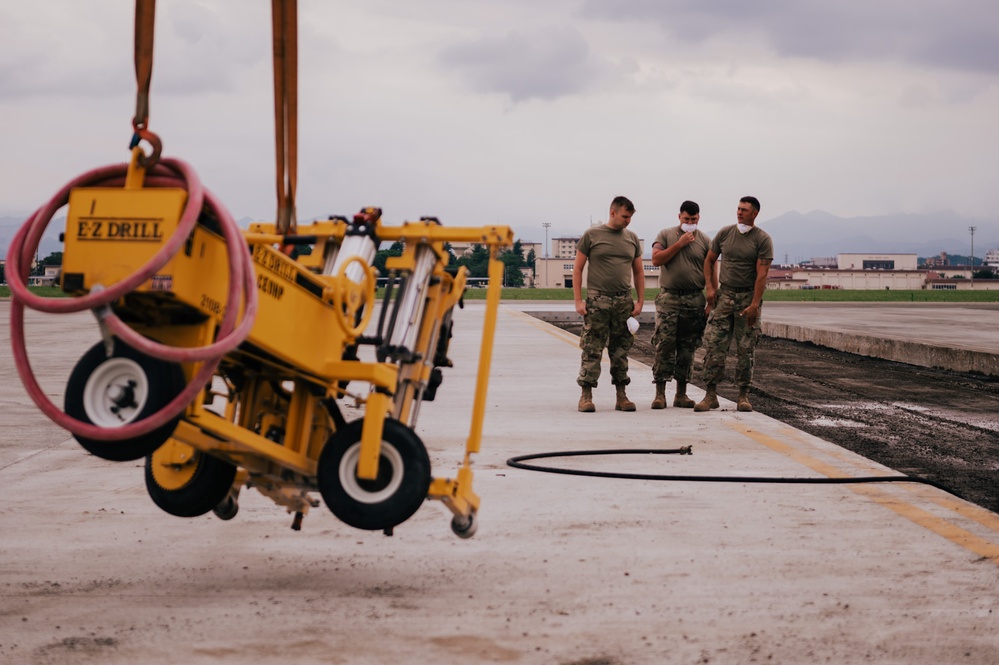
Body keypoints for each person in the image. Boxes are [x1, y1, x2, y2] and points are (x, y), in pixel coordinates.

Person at [695, 196, 773, 413]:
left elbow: (762, 274)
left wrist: (755, 304)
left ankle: (743, 395)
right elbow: (709, 260)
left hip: (747, 299)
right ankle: (710, 395)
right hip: (724, 296)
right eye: (738, 209)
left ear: (754, 213)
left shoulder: (762, 239)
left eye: (744, 210)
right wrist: (710, 288)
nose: (739, 213)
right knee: (714, 345)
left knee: (746, 349)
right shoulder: (725, 233)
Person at [573, 196, 644, 412]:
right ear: (612, 212)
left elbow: (639, 271)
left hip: (623, 301)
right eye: (625, 216)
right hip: (598, 301)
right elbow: (577, 268)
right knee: (592, 349)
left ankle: (621, 396)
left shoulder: (632, 238)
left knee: (620, 350)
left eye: (630, 217)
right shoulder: (592, 235)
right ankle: (586, 395)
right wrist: (578, 300)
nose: (628, 221)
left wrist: (640, 301)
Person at [649, 200, 710, 409]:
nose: (690, 223)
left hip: (694, 300)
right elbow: (656, 259)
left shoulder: (705, 240)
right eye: (686, 219)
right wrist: (679, 244)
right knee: (665, 345)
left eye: (693, 220)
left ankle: (681, 394)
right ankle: (660, 394)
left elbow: (711, 268)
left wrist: (711, 294)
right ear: (679, 217)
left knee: (687, 348)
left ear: (699, 218)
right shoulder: (665, 235)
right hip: (669, 299)